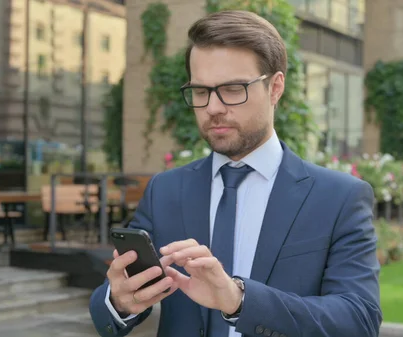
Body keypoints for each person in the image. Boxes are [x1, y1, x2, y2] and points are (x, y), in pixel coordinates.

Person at [89, 9, 382, 337]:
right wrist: (119, 300)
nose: (213, 107)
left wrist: (239, 300)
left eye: (231, 89)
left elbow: (359, 320)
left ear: (275, 88)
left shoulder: (339, 197)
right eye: (201, 92)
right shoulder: (165, 190)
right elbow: (108, 309)